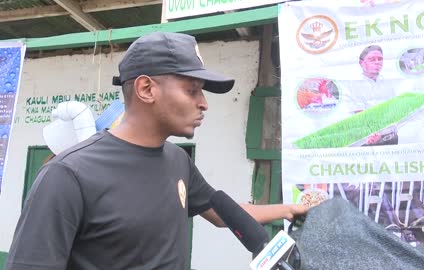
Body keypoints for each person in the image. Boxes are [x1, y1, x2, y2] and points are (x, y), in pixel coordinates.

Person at [5, 32, 308, 270]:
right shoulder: (68, 175)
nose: (203, 103)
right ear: (146, 89)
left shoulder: (178, 161)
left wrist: (290, 209)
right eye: (192, 90)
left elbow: (222, 214)